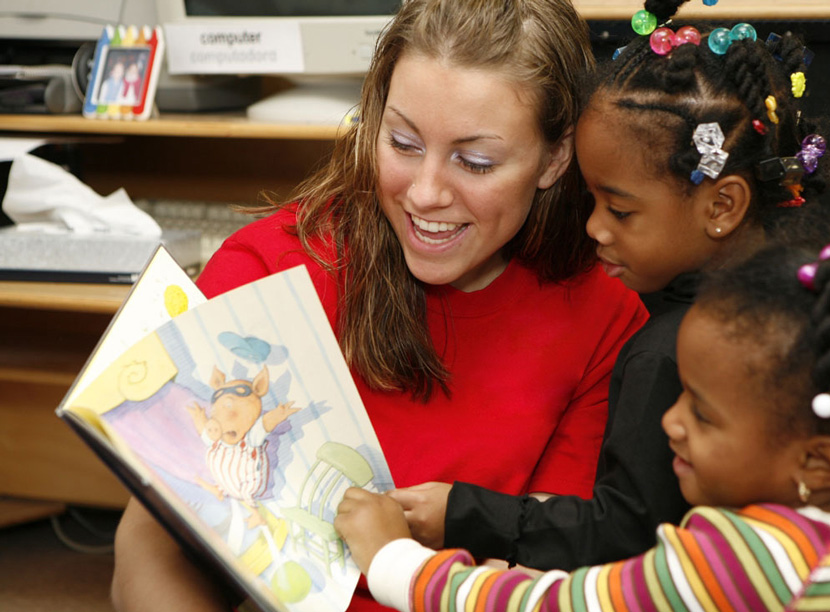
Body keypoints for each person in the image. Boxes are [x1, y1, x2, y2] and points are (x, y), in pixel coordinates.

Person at [108, 1, 647, 611]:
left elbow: (544, 566)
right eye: (402, 143)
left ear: (554, 159)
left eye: (475, 161)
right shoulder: (270, 272)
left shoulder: (605, 315)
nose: (425, 193)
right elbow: (152, 540)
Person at [388, 0, 830, 572]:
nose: (594, 226)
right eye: (591, 200)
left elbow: (625, 534)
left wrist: (460, 512)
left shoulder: (669, 352)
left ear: (721, 204)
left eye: (619, 210)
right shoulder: (814, 296)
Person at [336, 235, 830, 611]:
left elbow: (550, 607)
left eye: (703, 415)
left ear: (818, 462)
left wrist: (393, 558)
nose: (671, 424)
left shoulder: (750, 558)